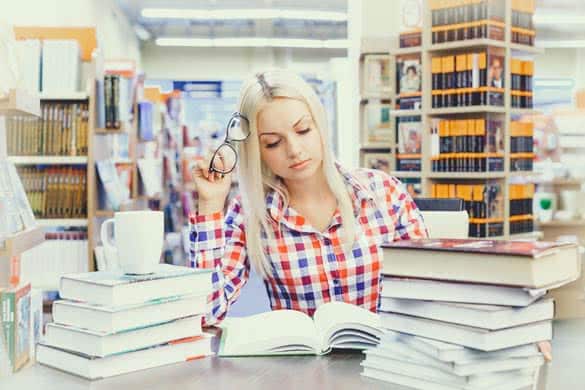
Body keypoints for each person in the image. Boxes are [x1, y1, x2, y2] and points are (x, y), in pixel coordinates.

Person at [189, 69, 552, 361]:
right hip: (302, 375)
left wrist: (512, 332)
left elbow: (438, 285)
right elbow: (206, 312)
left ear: (320, 125)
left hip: (393, 363)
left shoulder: (382, 193)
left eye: (303, 130)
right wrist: (210, 206)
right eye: (273, 142)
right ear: (256, 150)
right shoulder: (251, 215)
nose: (295, 149)